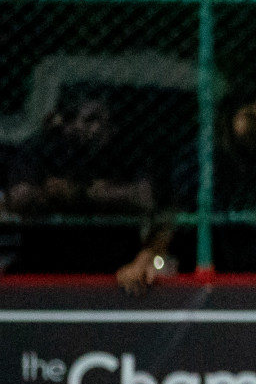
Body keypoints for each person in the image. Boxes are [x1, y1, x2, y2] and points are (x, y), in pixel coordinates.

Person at [118, 93, 256, 292]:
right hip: (208, 264)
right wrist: (147, 257)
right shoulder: (201, 158)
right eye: (251, 118)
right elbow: (177, 211)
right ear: (229, 118)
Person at [8, 93, 156, 274]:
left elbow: (145, 197)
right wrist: (53, 195)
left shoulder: (124, 150)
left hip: (111, 261)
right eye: (90, 120)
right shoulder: (43, 147)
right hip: (47, 258)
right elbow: (20, 197)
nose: (99, 128)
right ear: (68, 124)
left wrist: (81, 193)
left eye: (106, 121)